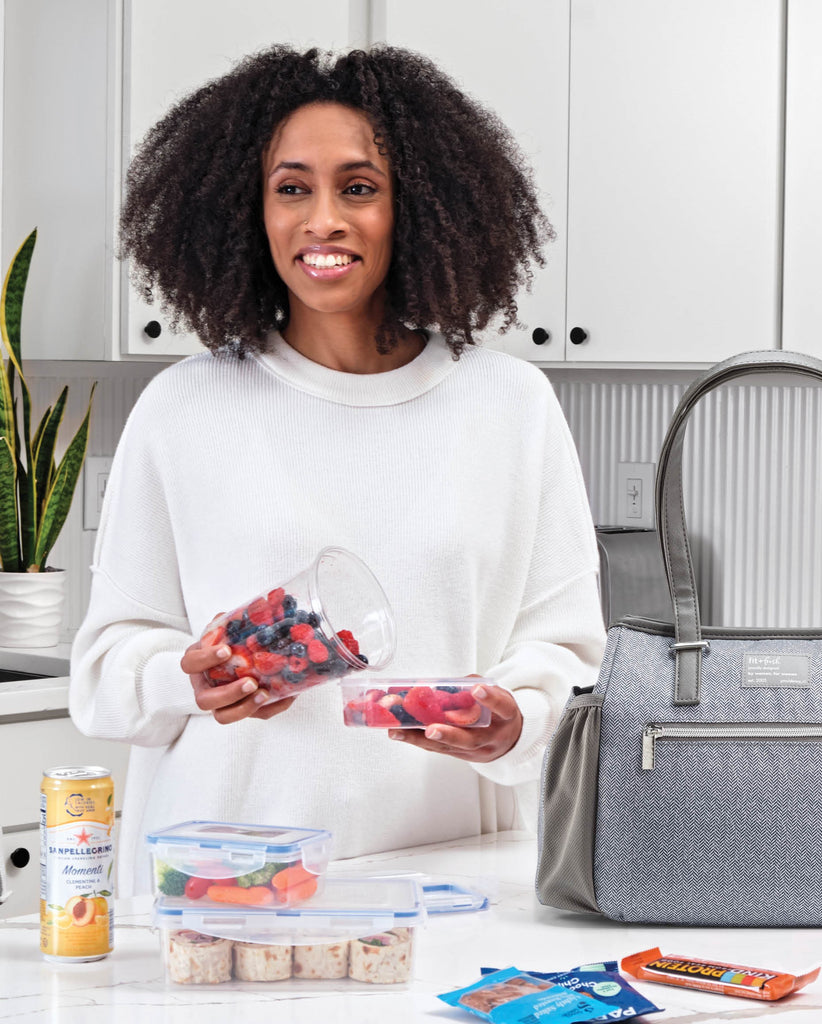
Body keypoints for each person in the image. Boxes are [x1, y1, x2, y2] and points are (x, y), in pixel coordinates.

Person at [69, 45, 606, 896]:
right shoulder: (184, 408)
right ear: (249, 212)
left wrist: (516, 721)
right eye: (292, 188)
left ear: (419, 208)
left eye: (359, 187)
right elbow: (102, 673)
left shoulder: (511, 404)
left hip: (440, 882)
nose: (324, 219)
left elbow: (571, 655)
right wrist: (188, 676)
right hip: (227, 882)